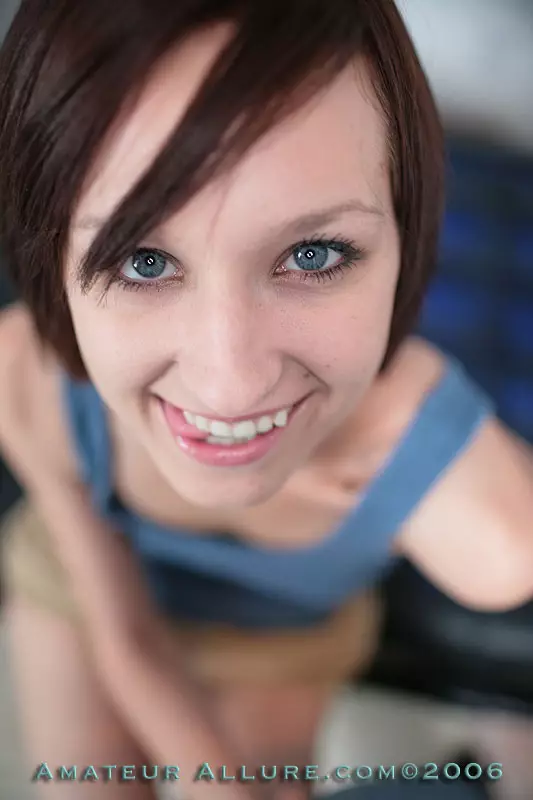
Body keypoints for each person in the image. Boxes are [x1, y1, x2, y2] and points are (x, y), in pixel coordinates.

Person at [0, 1, 531, 799]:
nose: (229, 385)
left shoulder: (485, 527)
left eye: (312, 255)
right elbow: (124, 636)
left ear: (406, 233)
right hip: (80, 593)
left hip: (281, 639)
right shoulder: (28, 379)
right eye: (142, 262)